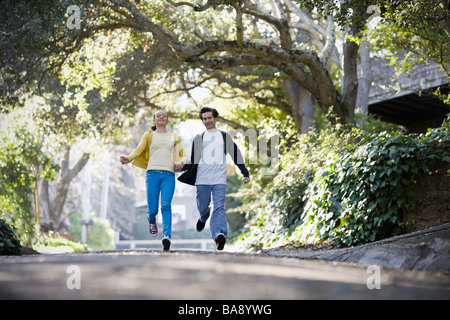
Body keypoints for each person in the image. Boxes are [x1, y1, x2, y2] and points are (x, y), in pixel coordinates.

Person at [178, 107, 250, 250]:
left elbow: (235, 154)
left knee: (219, 207)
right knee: (203, 206)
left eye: (210, 118)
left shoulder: (224, 136)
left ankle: (219, 235)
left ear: (216, 119)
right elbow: (193, 160)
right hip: (202, 179)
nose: (207, 121)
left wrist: (245, 172)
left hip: (219, 179)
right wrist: (183, 166)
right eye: (204, 119)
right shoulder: (199, 138)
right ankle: (204, 217)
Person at [120, 110, 186, 251]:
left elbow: (183, 155)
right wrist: (129, 158)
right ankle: (152, 221)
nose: (161, 117)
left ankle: (166, 236)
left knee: (166, 205)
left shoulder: (174, 136)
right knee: (152, 210)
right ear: (154, 120)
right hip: (152, 175)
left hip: (168, 175)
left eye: (164, 116)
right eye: (158, 116)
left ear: (167, 120)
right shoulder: (148, 135)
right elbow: (138, 150)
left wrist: (180, 162)